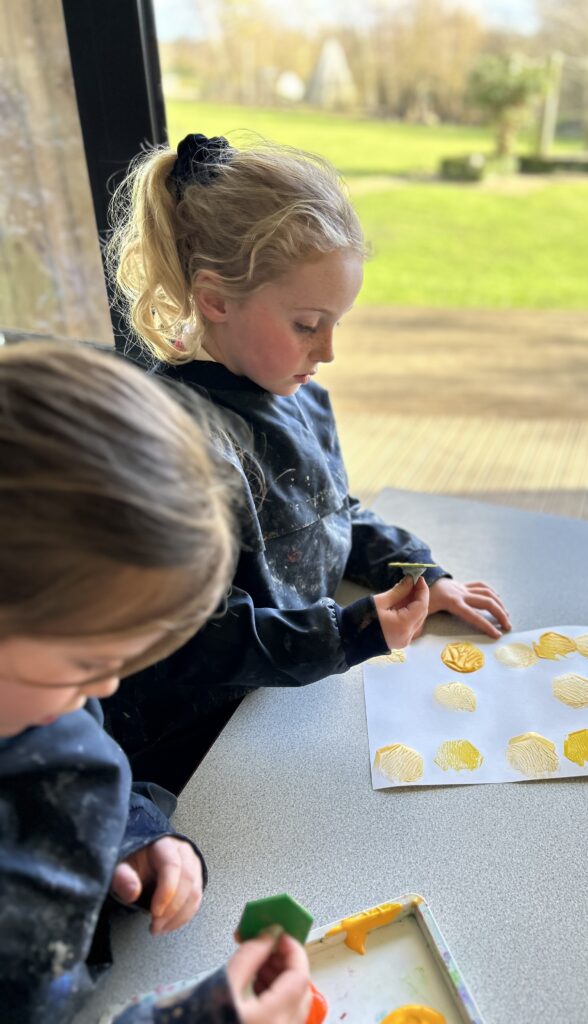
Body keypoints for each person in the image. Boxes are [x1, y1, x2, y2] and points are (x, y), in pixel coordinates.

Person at [103, 133, 510, 791]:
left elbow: (331, 512)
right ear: (215, 300)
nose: (327, 351)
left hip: (293, 696)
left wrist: (420, 573)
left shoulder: (300, 397)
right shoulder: (170, 443)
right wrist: (347, 635)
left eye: (335, 323)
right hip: (202, 746)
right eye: (307, 324)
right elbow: (189, 637)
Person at [0, 341, 311, 1024]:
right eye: (86, 665)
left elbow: (76, 767)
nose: (106, 691)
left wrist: (138, 832)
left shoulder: (35, 705)